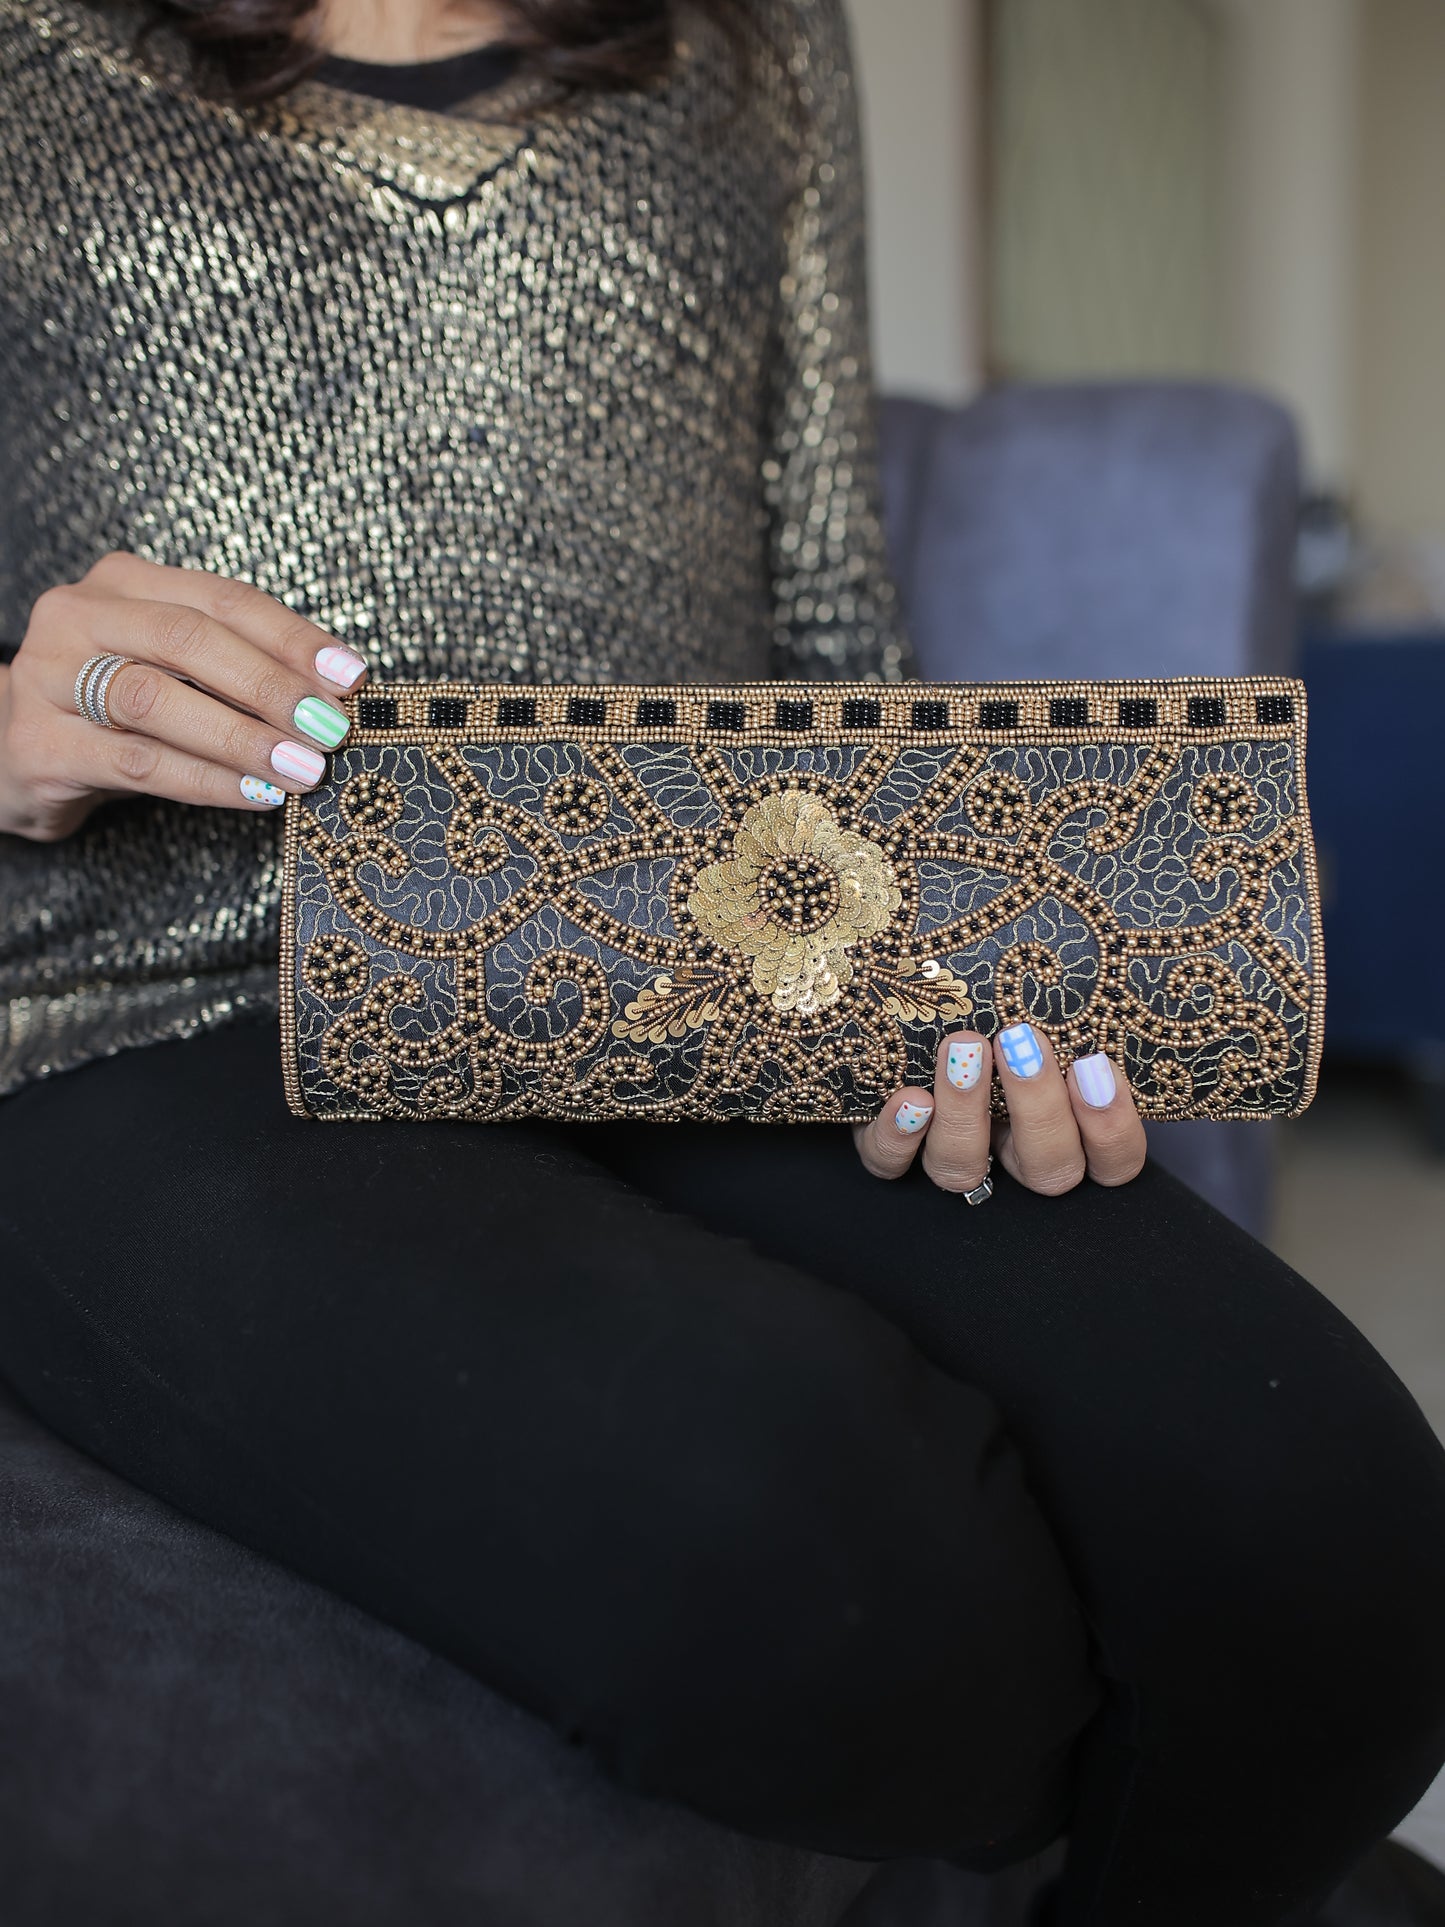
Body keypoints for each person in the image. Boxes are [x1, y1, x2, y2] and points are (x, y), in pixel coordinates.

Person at [1, 3, 1444, 1922]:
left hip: (718, 965)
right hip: (146, 1010)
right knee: (803, 1561)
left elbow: (834, 620)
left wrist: (950, 963)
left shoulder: (752, 42)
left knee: (1332, 1535)